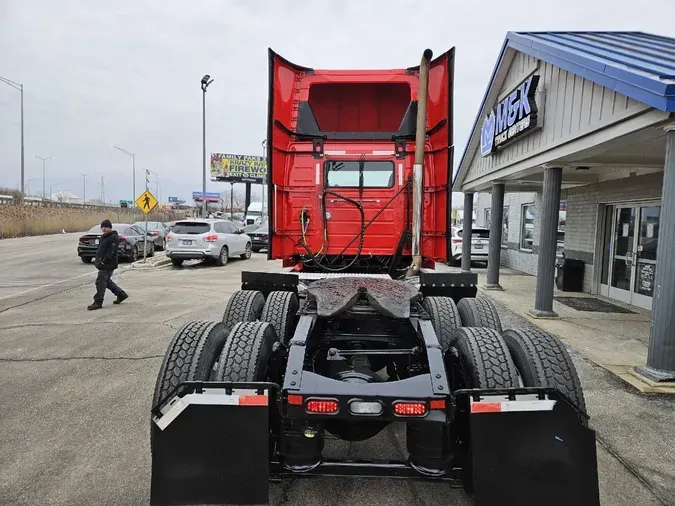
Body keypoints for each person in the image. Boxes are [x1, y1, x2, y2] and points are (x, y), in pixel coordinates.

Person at [88, 219, 129, 310]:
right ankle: (121, 294)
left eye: (106, 227)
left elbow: (112, 252)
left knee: (100, 282)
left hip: (108, 264)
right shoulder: (104, 237)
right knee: (106, 282)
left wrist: (104, 261)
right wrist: (97, 261)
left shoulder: (113, 237)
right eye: (102, 227)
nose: (104, 229)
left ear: (110, 228)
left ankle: (98, 302)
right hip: (102, 263)